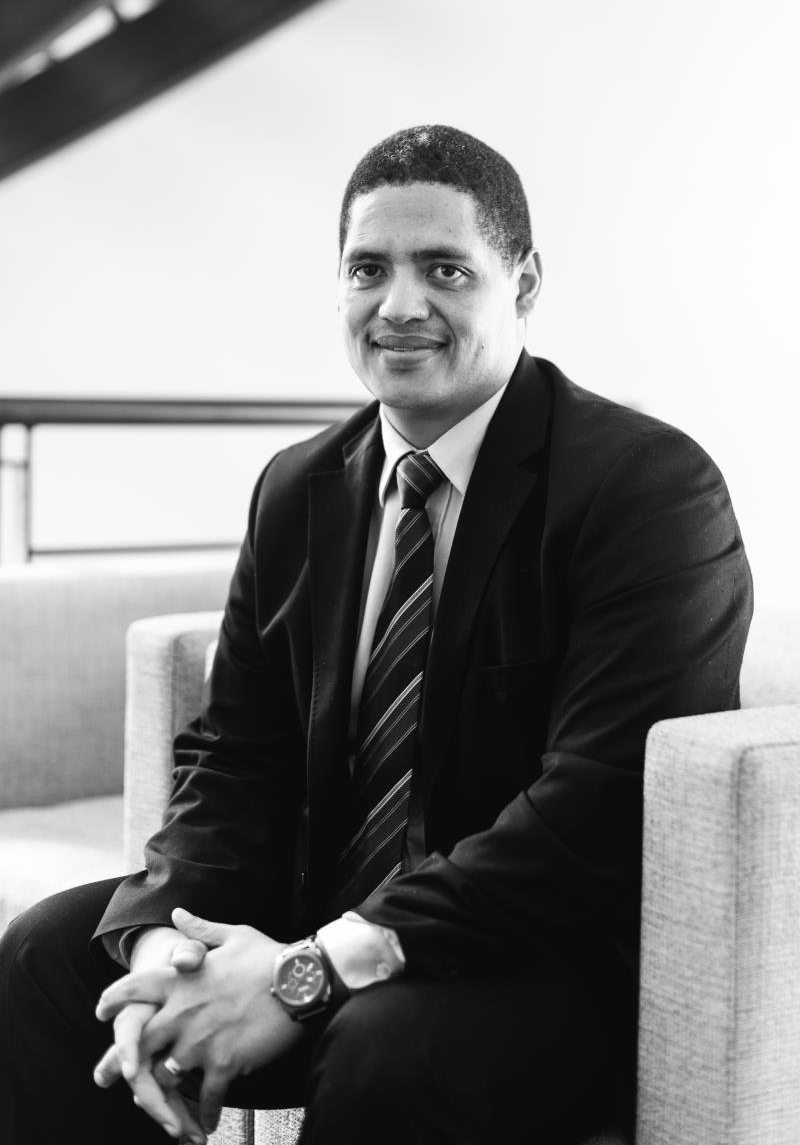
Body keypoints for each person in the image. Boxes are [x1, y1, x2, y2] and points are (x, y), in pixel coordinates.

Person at [0, 125, 753, 1145]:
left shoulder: (647, 488)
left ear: (524, 284)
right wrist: (163, 946)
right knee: (50, 959)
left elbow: (596, 807)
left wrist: (311, 970)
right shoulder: (298, 486)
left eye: (444, 269)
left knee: (381, 1045)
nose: (399, 306)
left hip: (536, 959)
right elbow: (237, 756)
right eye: (368, 270)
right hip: (325, 919)